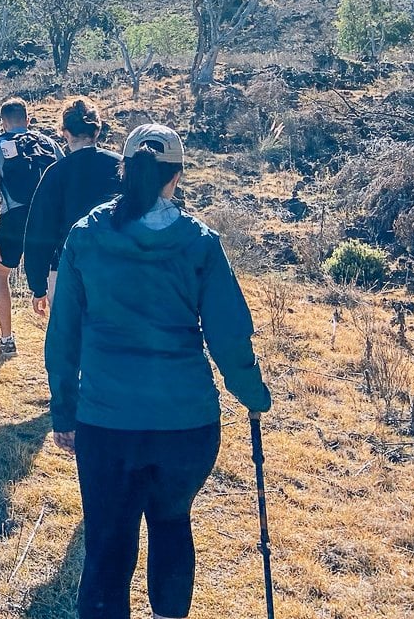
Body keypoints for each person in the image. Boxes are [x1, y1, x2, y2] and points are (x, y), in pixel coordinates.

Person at [44, 123, 271, 619]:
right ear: (177, 175)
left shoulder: (87, 237)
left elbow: (63, 336)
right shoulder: (200, 243)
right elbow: (229, 337)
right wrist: (254, 395)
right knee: (171, 523)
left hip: (107, 423)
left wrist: (64, 412)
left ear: (124, 170)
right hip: (186, 426)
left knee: (107, 542)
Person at [23, 96, 122, 317]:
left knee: (69, 340)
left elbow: (39, 232)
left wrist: (38, 286)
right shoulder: (121, 166)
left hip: (68, 269)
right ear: (97, 131)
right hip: (118, 266)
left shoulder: (56, 174)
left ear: (64, 132)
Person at [0, 97, 61, 356]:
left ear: (2, 123)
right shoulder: (50, 144)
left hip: (14, 219)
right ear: (28, 119)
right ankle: (60, 337)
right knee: (55, 278)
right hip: (50, 220)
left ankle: (7, 340)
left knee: (0, 274)